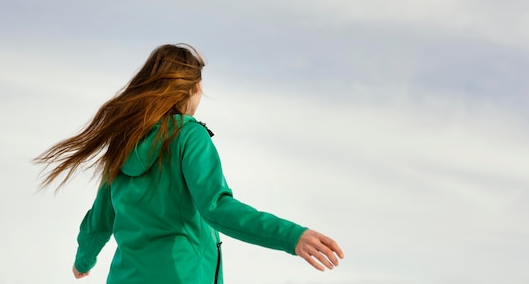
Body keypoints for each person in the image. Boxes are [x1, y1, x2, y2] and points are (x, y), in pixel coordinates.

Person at [35, 44, 344, 283]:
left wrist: (82, 261)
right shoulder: (188, 135)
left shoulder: (123, 143)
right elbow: (217, 207)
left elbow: (100, 220)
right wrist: (291, 236)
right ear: (192, 88)